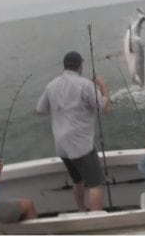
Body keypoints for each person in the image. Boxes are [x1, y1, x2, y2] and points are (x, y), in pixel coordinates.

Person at [36, 51, 111, 211]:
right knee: (95, 184)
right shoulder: (85, 84)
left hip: (62, 147)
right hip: (81, 146)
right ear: (80, 65)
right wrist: (103, 85)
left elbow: (40, 110)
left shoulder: (51, 85)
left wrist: (60, 108)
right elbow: (103, 106)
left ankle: (81, 211)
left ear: (65, 65)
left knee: (78, 181)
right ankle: (95, 221)